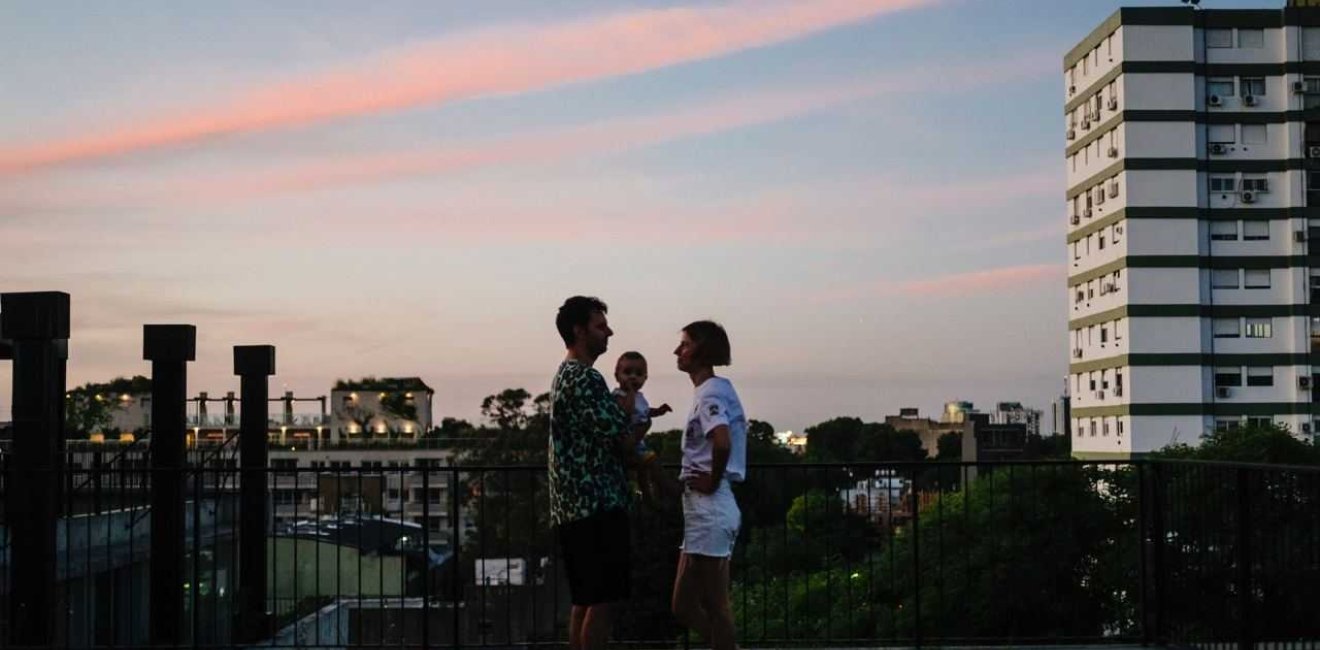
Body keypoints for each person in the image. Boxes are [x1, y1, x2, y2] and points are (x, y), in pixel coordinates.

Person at [548, 296, 636, 650]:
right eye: (600, 326)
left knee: (584, 600)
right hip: (595, 506)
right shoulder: (584, 377)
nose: (609, 332)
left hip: (573, 508)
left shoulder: (564, 374)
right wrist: (627, 408)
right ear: (578, 330)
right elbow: (619, 435)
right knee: (603, 601)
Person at [670, 320, 747, 650]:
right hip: (703, 511)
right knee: (683, 606)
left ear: (701, 350)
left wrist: (712, 479)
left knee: (718, 607)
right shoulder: (714, 390)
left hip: (710, 507)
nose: (678, 350)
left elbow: (722, 441)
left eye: (685, 344)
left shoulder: (711, 393)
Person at [612, 351, 674, 506]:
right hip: (627, 443)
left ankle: (648, 497)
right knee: (651, 461)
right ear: (617, 375)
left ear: (645, 378)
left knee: (644, 469)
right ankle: (669, 488)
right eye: (627, 372)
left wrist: (659, 411)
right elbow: (627, 411)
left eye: (638, 374)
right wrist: (631, 392)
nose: (633, 377)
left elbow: (645, 413)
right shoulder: (619, 395)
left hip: (638, 442)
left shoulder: (640, 397)